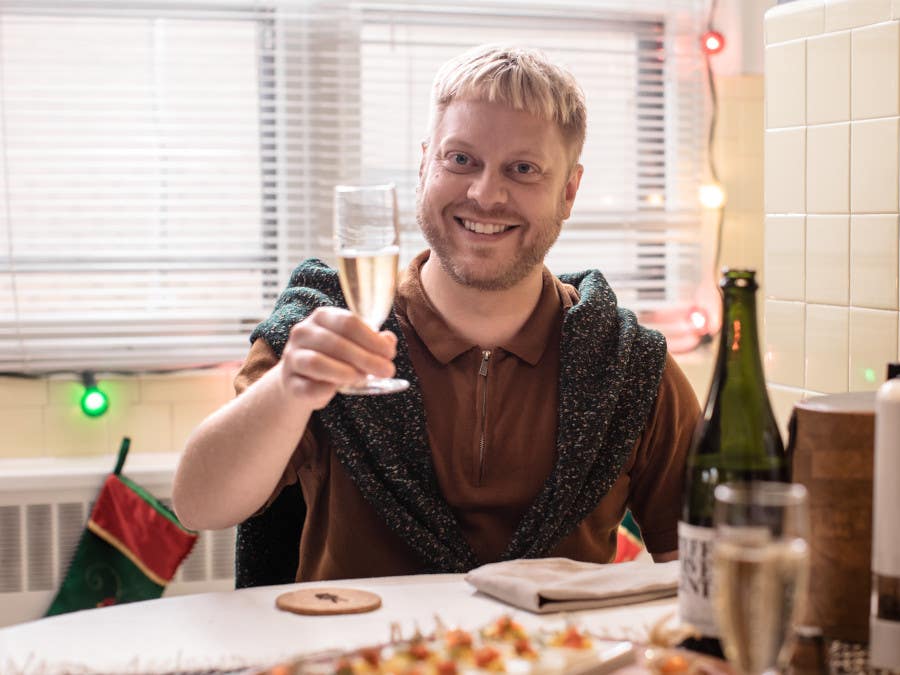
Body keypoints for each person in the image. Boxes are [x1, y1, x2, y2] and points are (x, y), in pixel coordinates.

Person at [172, 44, 700, 581]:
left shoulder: (629, 365)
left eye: (522, 169)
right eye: (461, 159)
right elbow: (198, 506)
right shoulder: (321, 330)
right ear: (426, 163)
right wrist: (289, 387)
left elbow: (699, 570)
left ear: (568, 192)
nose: (485, 193)